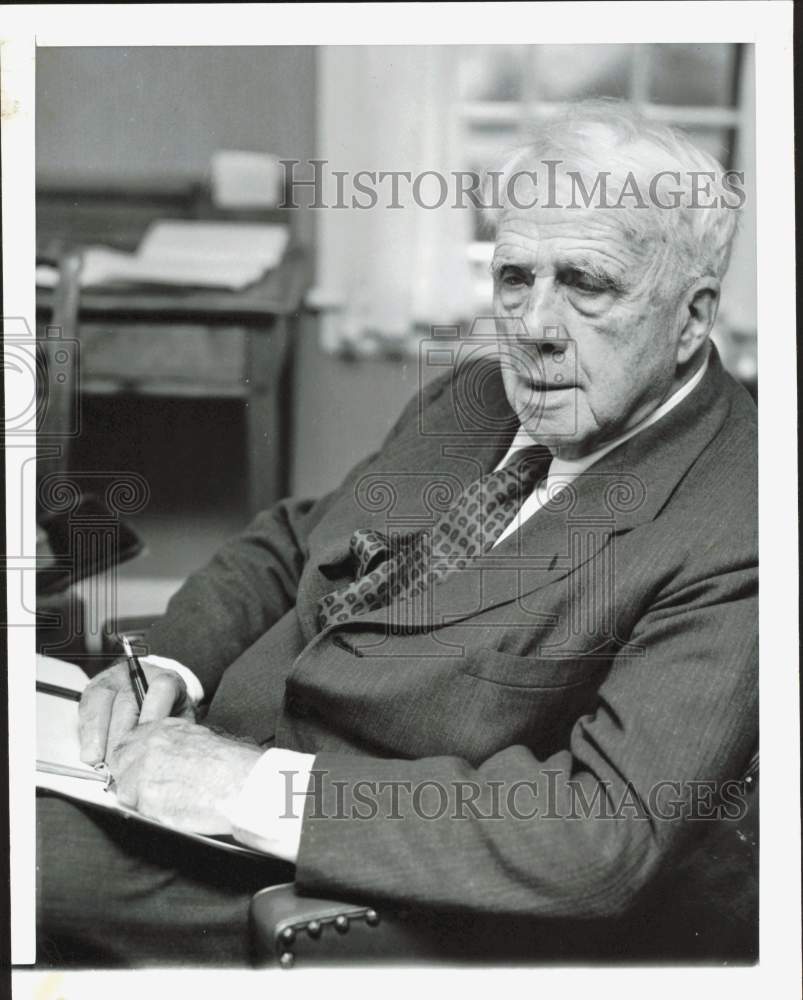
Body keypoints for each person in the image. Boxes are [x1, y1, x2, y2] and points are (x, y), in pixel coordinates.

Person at [37, 100, 757, 966]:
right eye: (514, 278)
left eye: (586, 285)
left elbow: (598, 836)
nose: (532, 327)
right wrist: (171, 663)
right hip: (175, 773)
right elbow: (292, 542)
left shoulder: (741, 517)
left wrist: (245, 787)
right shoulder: (474, 400)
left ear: (690, 319)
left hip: (340, 885)